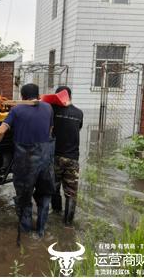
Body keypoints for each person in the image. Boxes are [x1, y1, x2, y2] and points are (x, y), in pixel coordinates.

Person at [0, 83, 55, 237]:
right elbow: (50, 131)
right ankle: (41, 231)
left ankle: (25, 234)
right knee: (44, 195)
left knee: (24, 198)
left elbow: (0, 131)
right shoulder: (48, 108)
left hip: (26, 161)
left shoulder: (17, 110)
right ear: (38, 95)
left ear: (22, 97)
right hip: (46, 160)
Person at [51, 86, 83, 226]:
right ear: (70, 96)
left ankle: (56, 212)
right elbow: (78, 128)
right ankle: (68, 225)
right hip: (72, 158)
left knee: (54, 187)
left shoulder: (52, 110)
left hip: (55, 157)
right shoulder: (79, 113)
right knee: (71, 192)